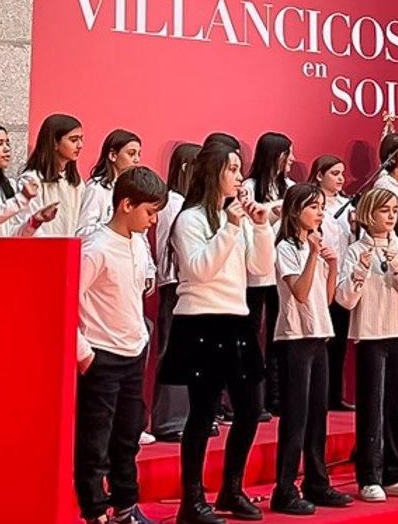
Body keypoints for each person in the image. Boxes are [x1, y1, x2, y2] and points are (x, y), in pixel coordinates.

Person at [158, 143, 275, 523]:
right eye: (232, 170)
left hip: (236, 317)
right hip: (200, 320)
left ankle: (231, 488)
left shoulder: (235, 217)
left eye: (240, 169)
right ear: (213, 174)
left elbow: (260, 269)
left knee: (250, 409)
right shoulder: (190, 219)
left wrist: (259, 227)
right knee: (203, 413)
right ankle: (191, 502)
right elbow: (199, 270)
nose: (239, 177)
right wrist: (231, 226)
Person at [74, 166, 166, 524]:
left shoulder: (138, 244)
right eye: (149, 211)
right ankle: (94, 511)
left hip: (132, 354)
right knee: (95, 441)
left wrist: (141, 340)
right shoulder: (95, 248)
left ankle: (125, 507)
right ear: (126, 204)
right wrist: (85, 356)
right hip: (101, 356)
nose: (153, 220)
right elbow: (65, 305)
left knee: (128, 437)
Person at [335, 189, 398, 503]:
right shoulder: (354, 250)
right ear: (369, 213)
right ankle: (369, 476)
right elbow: (345, 299)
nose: (391, 216)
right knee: (371, 406)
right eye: (385, 210)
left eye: (394, 210)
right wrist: (360, 269)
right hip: (371, 334)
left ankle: (395, 472)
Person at [270, 182, 352, 515]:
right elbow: (300, 292)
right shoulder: (286, 248)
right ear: (295, 211)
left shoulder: (313, 247)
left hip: (320, 333)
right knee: (296, 417)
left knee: (319, 415)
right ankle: (285, 488)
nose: (320, 212)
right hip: (294, 338)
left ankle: (317, 482)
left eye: (321, 206)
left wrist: (331, 266)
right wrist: (315, 256)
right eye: (313, 207)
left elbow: (326, 297)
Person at [149, 142, 198, 440]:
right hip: (174, 283)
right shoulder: (171, 201)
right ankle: (169, 419)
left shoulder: (188, 203)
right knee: (173, 351)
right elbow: (166, 244)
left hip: (189, 284)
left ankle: (185, 416)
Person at [247, 132, 294, 418]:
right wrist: (271, 213)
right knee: (251, 331)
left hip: (283, 268)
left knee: (279, 331)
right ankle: (253, 396)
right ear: (277, 156)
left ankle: (277, 395)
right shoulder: (250, 186)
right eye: (289, 154)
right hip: (254, 268)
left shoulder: (289, 187)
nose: (293, 160)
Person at [309, 154, 354, 412]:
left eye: (342, 173)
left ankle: (334, 395)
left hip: (341, 278)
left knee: (338, 341)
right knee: (320, 341)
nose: (340, 178)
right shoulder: (315, 204)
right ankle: (317, 396)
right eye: (334, 173)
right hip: (318, 277)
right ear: (319, 175)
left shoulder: (347, 205)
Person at [20, 113, 88, 237]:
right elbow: (27, 224)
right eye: (73, 140)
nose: (80, 145)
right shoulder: (32, 180)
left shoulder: (76, 183)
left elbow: (81, 224)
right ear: (54, 143)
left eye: (81, 139)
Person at [0, 122, 49, 237]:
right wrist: (20, 200)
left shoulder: (10, 185)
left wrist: (34, 222)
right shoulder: (18, 197)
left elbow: (11, 235)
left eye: (7, 143)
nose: (6, 149)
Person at [77, 129, 142, 234]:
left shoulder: (132, 190)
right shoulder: (96, 188)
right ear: (113, 155)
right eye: (131, 154)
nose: (137, 160)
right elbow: (83, 231)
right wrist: (112, 227)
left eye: (138, 154)